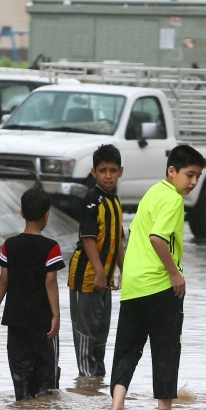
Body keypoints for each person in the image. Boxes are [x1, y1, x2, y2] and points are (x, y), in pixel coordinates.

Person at [110, 145, 206, 410]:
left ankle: (117, 407)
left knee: (127, 350)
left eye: (198, 176)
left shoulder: (151, 193)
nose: (194, 182)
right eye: (189, 175)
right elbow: (157, 238)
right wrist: (175, 275)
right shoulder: (173, 199)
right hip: (160, 286)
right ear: (172, 171)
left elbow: (137, 235)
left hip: (133, 286)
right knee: (166, 352)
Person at [0, 187, 65, 401]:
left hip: (16, 322)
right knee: (45, 384)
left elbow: (4, 278)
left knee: (21, 379)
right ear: (47, 215)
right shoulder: (51, 247)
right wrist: (56, 315)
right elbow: (50, 282)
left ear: (21, 213)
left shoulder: (10, 245)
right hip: (42, 324)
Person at [67, 144, 124, 378]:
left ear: (121, 171)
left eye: (112, 170)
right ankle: (85, 382)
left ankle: (97, 384)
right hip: (86, 277)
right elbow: (89, 240)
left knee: (101, 335)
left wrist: (124, 271)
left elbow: (118, 241)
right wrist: (99, 272)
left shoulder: (115, 201)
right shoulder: (92, 200)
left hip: (105, 278)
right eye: (103, 171)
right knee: (85, 334)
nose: (108, 176)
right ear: (94, 173)